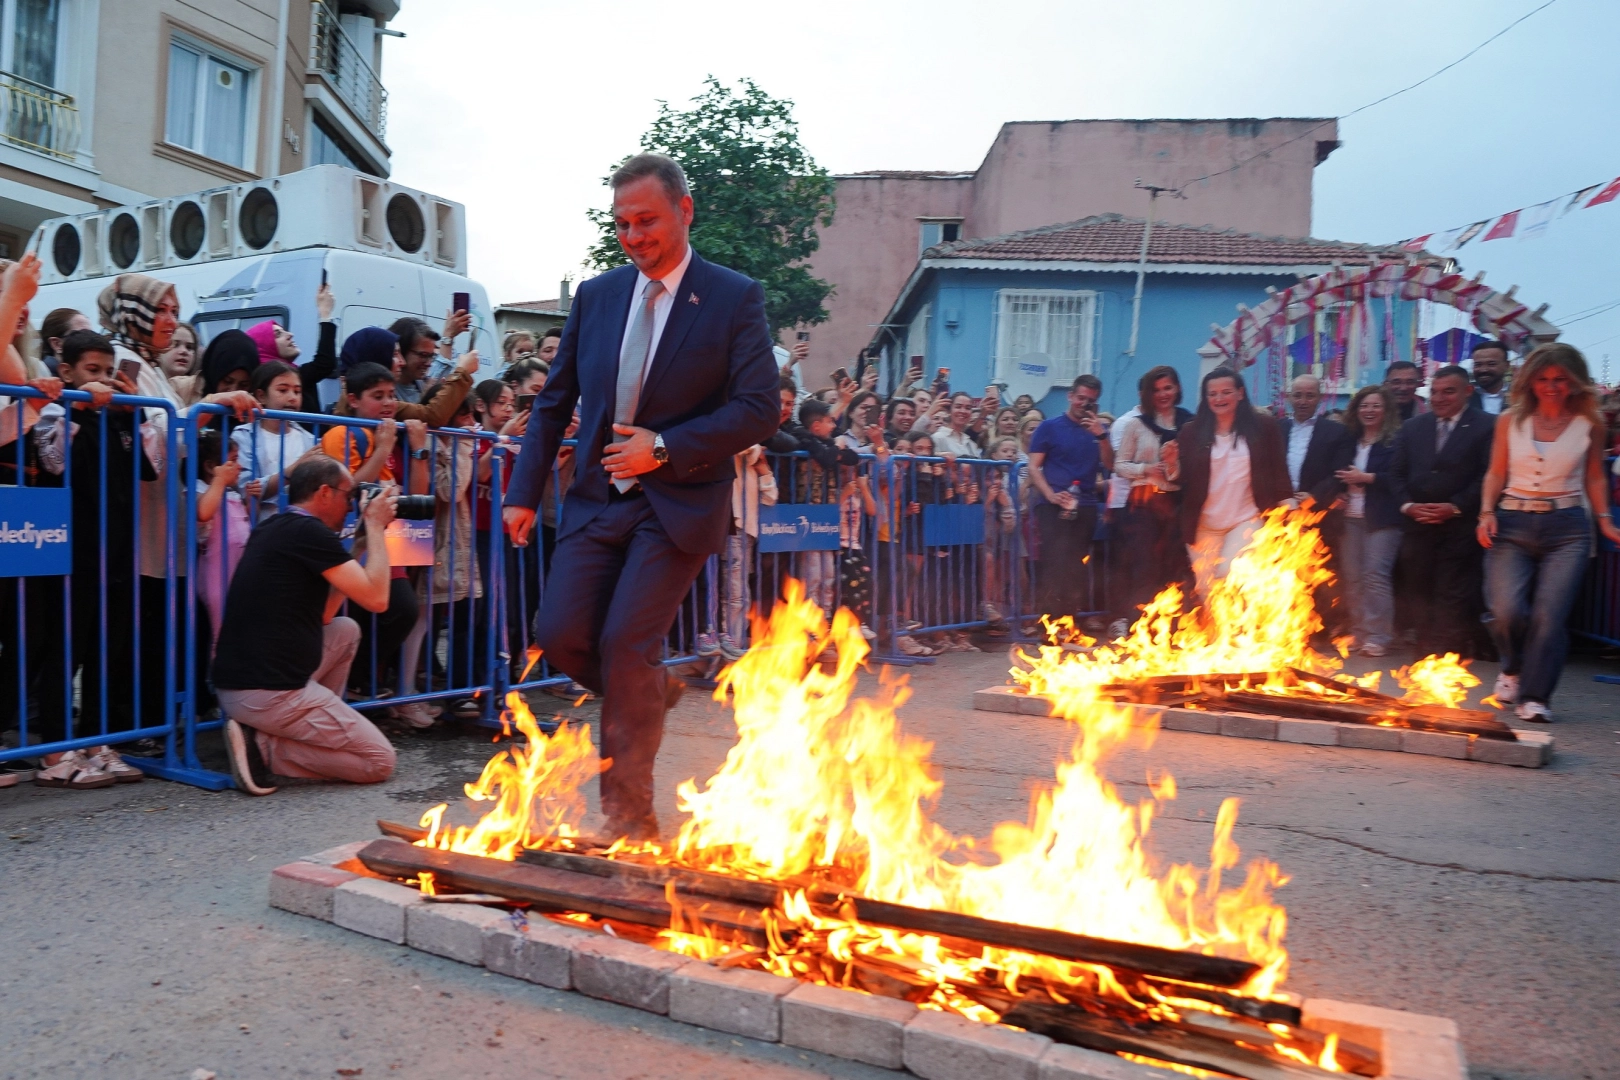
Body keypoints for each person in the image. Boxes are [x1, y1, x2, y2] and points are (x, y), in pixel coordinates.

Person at [501, 152, 779, 841]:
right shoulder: (597, 297)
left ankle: (629, 816)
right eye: (622, 224)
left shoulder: (731, 296)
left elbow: (759, 407)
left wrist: (664, 447)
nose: (634, 236)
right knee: (561, 636)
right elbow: (554, 399)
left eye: (647, 220)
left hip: (677, 502)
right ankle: (650, 692)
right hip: (598, 498)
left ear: (685, 211)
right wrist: (523, 491)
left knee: (627, 642)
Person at [212, 455, 401, 794]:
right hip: (268, 693)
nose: (352, 504)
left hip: (239, 686)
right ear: (325, 493)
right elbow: (378, 599)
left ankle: (284, 729)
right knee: (379, 760)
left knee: (346, 630)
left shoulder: (279, 526)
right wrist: (374, 527)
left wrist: (358, 545)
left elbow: (326, 616)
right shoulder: (309, 532)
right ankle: (265, 748)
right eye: (348, 494)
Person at [1477, 344, 1620, 722]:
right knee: (1506, 610)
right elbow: (1495, 471)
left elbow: (1593, 475)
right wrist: (1486, 512)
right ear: (1530, 381)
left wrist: (1604, 521)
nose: (1552, 386)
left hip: (1568, 527)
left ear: (1575, 382)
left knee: (1549, 616)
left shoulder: (1590, 423)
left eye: (1560, 379)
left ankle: (1536, 697)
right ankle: (1511, 667)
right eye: (1543, 379)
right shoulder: (1510, 420)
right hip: (1512, 520)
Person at [320, 361, 429, 696]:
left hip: (388, 538)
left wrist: (419, 448)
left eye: (391, 395)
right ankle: (351, 680)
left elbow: (418, 492)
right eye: (376, 395)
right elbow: (350, 486)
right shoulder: (341, 432)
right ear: (353, 400)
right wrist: (382, 448)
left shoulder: (389, 434)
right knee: (376, 610)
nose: (387, 402)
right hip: (353, 540)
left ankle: (361, 679)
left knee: (401, 609)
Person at [1388, 364, 1494, 658]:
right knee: (1418, 591)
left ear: (1467, 392)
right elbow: (1395, 473)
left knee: (1452, 593)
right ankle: (1423, 654)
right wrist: (1409, 506)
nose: (1439, 398)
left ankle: (1448, 656)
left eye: (1448, 391)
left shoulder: (1487, 426)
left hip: (1460, 527)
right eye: (1434, 392)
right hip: (1417, 526)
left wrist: (1456, 507)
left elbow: (1489, 475)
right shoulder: (1413, 427)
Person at [1176, 367, 1291, 596]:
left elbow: (1279, 469)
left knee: (1229, 574)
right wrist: (1170, 465)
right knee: (1208, 590)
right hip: (1203, 523)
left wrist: (1290, 507)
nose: (1219, 399)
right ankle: (1215, 633)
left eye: (1226, 392)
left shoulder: (1264, 427)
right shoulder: (1191, 431)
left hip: (1246, 518)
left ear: (1240, 393)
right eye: (1212, 394)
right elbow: (1183, 479)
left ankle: (1242, 631)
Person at [1111, 366, 1194, 636]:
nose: (1163, 394)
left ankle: (1171, 629)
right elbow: (1119, 464)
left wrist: (1172, 467)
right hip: (1143, 503)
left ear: (1178, 389)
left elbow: (1195, 468)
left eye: (1168, 388)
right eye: (1156, 390)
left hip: (1175, 503)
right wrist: (1145, 470)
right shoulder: (1136, 424)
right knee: (1144, 566)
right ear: (1148, 394)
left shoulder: (1190, 425)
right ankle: (1140, 629)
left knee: (1174, 566)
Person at [1026, 375, 1112, 630]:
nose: (1084, 404)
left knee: (1076, 565)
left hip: (1084, 505)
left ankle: (1069, 623)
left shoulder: (1098, 431)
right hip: (1052, 505)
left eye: (1090, 401)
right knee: (1055, 562)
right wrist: (1050, 494)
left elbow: (1110, 464)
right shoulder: (1049, 427)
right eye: (1080, 398)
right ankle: (1049, 626)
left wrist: (1102, 436)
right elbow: (1033, 466)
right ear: (1070, 396)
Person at [1331, 386, 1404, 657]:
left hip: (1382, 518)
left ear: (1386, 410)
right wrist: (1337, 494)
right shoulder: (1349, 441)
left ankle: (1378, 635)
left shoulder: (1396, 441)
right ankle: (1359, 632)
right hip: (1349, 517)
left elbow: (1401, 478)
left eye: (1375, 405)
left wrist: (1367, 478)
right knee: (1352, 578)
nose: (1369, 410)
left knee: (1375, 575)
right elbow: (1336, 474)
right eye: (1364, 405)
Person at [233, 361, 317, 518]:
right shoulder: (243, 436)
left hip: (303, 524)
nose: (292, 397)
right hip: (263, 525)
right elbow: (246, 488)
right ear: (261, 396)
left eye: (297, 392)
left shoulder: (309, 439)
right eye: (283, 390)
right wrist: (292, 471)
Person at [39, 307, 92, 375]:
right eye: (81, 335)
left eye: (91, 335)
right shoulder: (43, 379)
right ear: (57, 344)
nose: (91, 342)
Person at [933, 392, 983, 458]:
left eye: (968, 408)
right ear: (949, 411)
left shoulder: (971, 443)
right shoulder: (938, 438)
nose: (963, 411)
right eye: (958, 407)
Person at [1468, 340, 1511, 415]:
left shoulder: (1521, 397)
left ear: (1506, 365)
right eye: (1478, 364)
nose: (1484, 370)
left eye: (1491, 364)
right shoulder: (1465, 396)